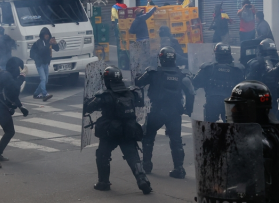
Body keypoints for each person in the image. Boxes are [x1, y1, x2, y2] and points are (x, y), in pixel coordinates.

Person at [84, 66, 152, 194]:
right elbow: (140, 103)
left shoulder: (104, 96)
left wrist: (87, 101)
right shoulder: (131, 93)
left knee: (102, 154)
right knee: (133, 156)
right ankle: (142, 180)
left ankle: (103, 183)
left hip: (111, 132)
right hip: (129, 130)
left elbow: (89, 107)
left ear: (107, 80)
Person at [136, 47, 195, 178]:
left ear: (161, 58)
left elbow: (138, 83)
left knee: (148, 137)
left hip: (157, 110)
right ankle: (179, 169)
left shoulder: (153, 72)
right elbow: (191, 93)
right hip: (174, 112)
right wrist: (188, 109)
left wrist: (138, 74)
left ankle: (146, 165)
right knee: (176, 141)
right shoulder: (182, 74)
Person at [0, 58, 29, 166]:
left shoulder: (6, 75)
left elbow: (13, 95)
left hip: (0, 107)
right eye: (19, 68)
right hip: (0, 108)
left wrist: (21, 107)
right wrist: (22, 77)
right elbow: (15, 88)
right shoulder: (6, 76)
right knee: (10, 131)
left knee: (9, 131)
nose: (20, 70)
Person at [193, 43, 244, 123]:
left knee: (210, 128)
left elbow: (196, 83)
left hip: (212, 102)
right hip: (230, 103)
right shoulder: (238, 69)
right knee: (231, 128)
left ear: (216, 54)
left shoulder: (207, 68)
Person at [30, 27, 59, 101]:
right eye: (45, 34)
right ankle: (44, 94)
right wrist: (49, 44)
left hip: (46, 63)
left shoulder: (48, 42)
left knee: (45, 80)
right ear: (42, 35)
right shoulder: (39, 42)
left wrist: (55, 44)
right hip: (39, 63)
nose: (47, 36)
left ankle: (36, 94)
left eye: (48, 34)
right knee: (43, 78)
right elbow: (41, 51)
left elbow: (57, 49)